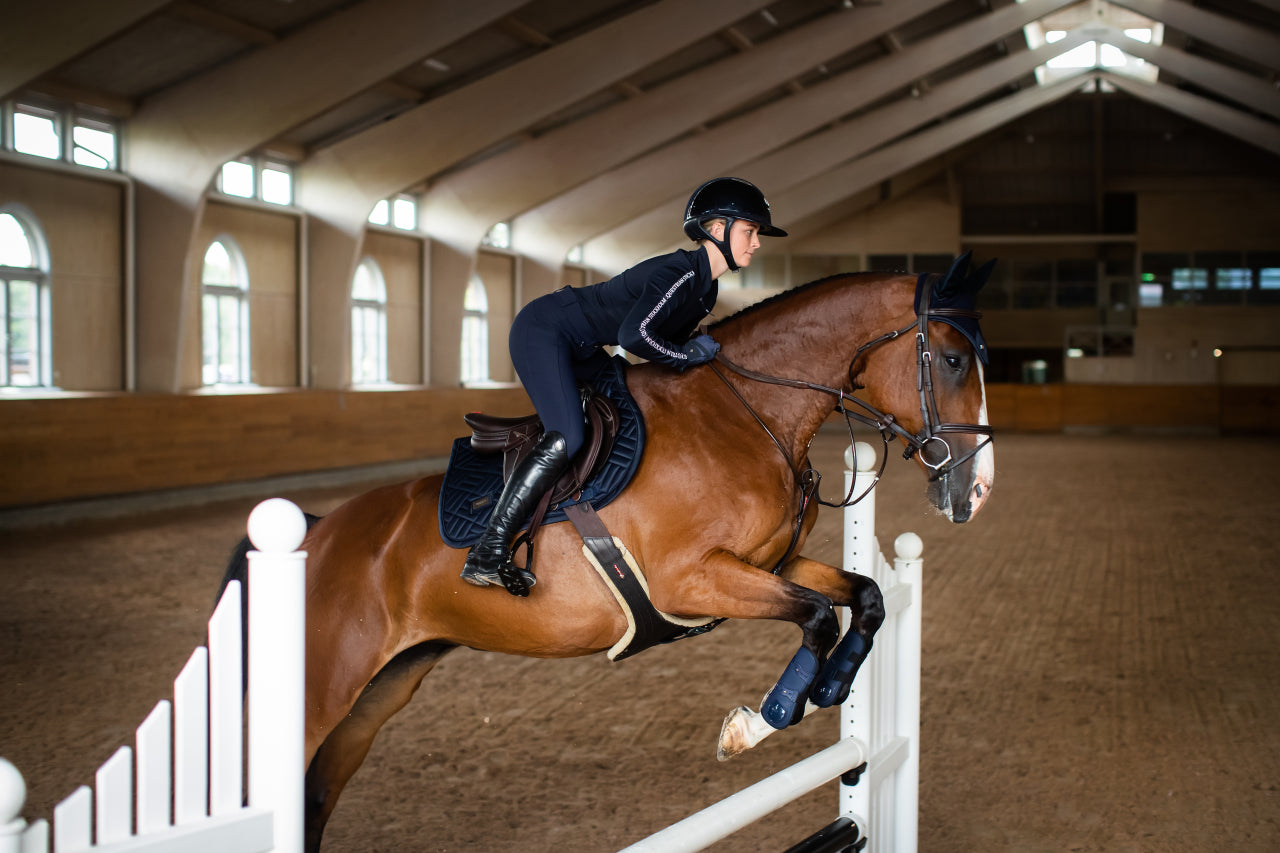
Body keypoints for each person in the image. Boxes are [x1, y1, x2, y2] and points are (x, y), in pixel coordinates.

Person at [461, 176, 789, 595]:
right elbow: (637, 338)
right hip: (545, 330)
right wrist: (689, 355)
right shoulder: (681, 273)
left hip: (583, 346)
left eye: (756, 233)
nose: (756, 242)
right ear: (717, 229)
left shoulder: (707, 289)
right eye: (750, 231)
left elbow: (664, 347)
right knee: (569, 435)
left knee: (625, 412)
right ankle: (487, 552)